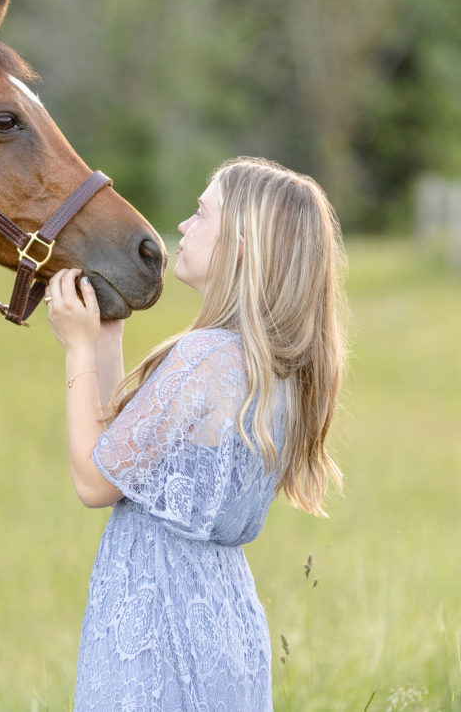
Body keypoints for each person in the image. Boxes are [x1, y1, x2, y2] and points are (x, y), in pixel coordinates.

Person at [45, 157, 347, 710]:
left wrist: (79, 349)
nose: (182, 227)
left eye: (200, 213)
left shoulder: (204, 356)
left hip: (159, 621)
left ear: (238, 244)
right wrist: (109, 336)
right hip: (220, 614)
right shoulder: (267, 366)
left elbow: (95, 479)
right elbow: (127, 457)